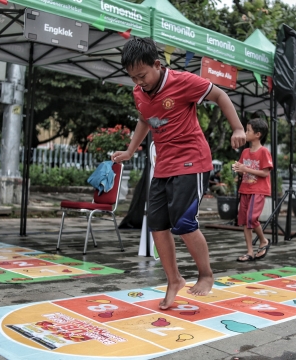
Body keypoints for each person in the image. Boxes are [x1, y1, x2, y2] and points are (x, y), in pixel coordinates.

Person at [112, 38, 246, 309]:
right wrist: (130, 150)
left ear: (157, 65)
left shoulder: (183, 81)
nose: (139, 82)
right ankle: (174, 280)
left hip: (192, 161)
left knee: (183, 222)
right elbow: (144, 120)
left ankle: (206, 275)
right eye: (133, 78)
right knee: (157, 226)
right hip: (163, 166)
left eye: (143, 75)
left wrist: (238, 128)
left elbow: (220, 95)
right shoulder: (139, 93)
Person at [232, 118, 273, 262]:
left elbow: (265, 173)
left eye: (248, 130)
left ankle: (263, 241)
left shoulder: (264, 152)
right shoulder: (245, 152)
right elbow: (243, 171)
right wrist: (238, 169)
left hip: (258, 190)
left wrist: (245, 168)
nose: (245, 132)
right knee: (244, 221)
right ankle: (249, 251)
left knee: (251, 218)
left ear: (258, 134)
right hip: (245, 189)